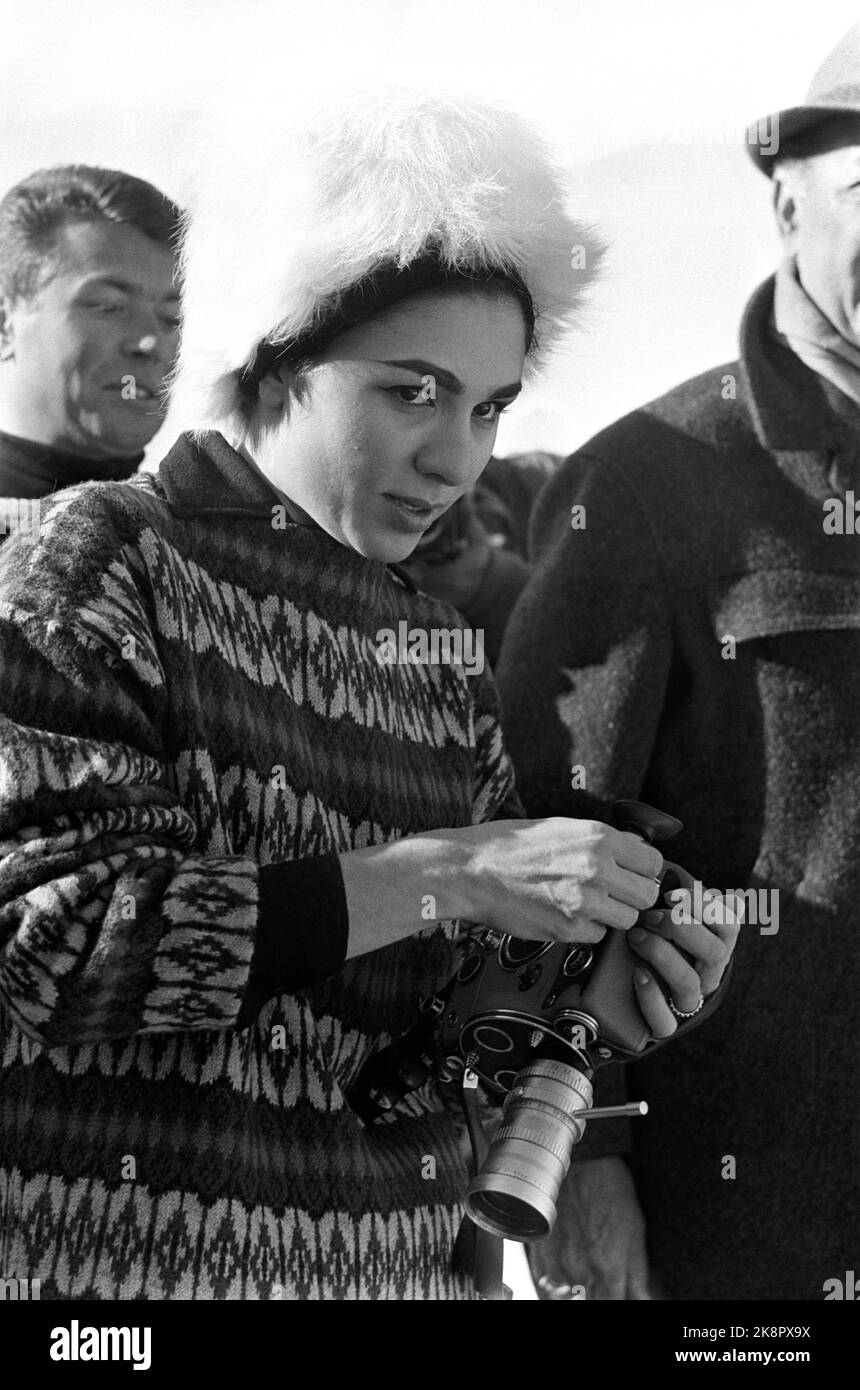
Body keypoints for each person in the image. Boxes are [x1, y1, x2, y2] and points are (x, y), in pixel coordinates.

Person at [0, 87, 736, 1301]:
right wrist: (452, 868)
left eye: (489, 406)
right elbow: (53, 949)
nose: (459, 457)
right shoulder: (93, 562)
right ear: (275, 352)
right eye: (414, 390)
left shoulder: (436, 656)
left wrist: (579, 990)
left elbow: (424, 1058)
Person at [496, 26, 860, 1301]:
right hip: (742, 1217)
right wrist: (580, 1155)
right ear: (785, 202)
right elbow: (542, 843)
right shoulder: (648, 485)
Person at [0, 165, 181, 541]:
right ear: (6, 325)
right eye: (108, 306)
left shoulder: (213, 552)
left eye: (172, 318)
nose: (150, 343)